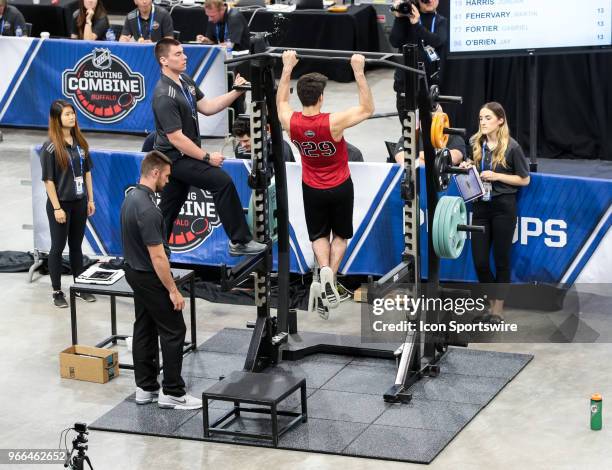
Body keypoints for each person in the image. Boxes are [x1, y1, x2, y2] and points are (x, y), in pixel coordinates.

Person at [276, 50, 374, 312]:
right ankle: (332, 274)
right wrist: (358, 71)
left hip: (312, 188)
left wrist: (287, 68)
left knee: (318, 234)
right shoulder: (333, 122)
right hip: (340, 186)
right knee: (340, 234)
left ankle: (324, 272)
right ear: (321, 97)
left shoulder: (290, 121)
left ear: (301, 96)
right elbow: (367, 109)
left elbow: (281, 103)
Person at [152, 38, 266, 256]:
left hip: (184, 154)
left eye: (183, 52)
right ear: (163, 60)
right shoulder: (163, 95)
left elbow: (208, 107)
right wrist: (206, 158)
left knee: (168, 210)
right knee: (221, 181)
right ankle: (240, 241)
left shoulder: (184, 80)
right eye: (178, 54)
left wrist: (237, 92)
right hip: (174, 159)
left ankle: (152, 252)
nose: (184, 57)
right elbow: (176, 138)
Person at [120, 150, 202, 410]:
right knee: (174, 330)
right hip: (150, 276)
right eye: (166, 176)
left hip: (133, 272)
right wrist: (173, 290)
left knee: (144, 327)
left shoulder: (131, 198)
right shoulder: (149, 210)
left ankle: (145, 388)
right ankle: (173, 392)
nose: (168, 181)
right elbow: (158, 258)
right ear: (155, 173)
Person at [461, 102, 530, 323]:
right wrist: (467, 166)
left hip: (503, 206)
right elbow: (472, 164)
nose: (482, 122)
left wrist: (497, 176)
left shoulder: (512, 147)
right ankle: (491, 305)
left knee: (501, 259)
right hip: (480, 205)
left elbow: (524, 179)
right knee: (480, 261)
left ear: (500, 120)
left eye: (488, 118)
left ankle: (497, 310)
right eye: (481, 118)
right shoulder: (474, 142)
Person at [40, 100, 96, 308]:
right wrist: (56, 208)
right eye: (66, 114)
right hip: (61, 205)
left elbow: (87, 173)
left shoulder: (80, 143)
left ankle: (79, 285)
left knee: (76, 246)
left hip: (79, 202)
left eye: (72, 113)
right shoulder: (51, 147)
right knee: (57, 247)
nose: (71, 117)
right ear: (57, 119)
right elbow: (48, 181)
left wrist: (90, 199)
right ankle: (56, 291)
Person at [389, 0, 447, 124]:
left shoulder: (440, 21)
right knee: (408, 130)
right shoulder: (405, 19)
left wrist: (416, 25)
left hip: (429, 85)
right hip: (405, 83)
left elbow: (437, 41)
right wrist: (399, 18)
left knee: (430, 131)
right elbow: (394, 41)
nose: (429, 1)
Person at [392, 106, 465, 164]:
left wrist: (421, 157)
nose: (432, 124)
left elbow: (447, 161)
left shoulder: (455, 139)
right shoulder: (410, 137)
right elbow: (403, 161)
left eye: (436, 120)